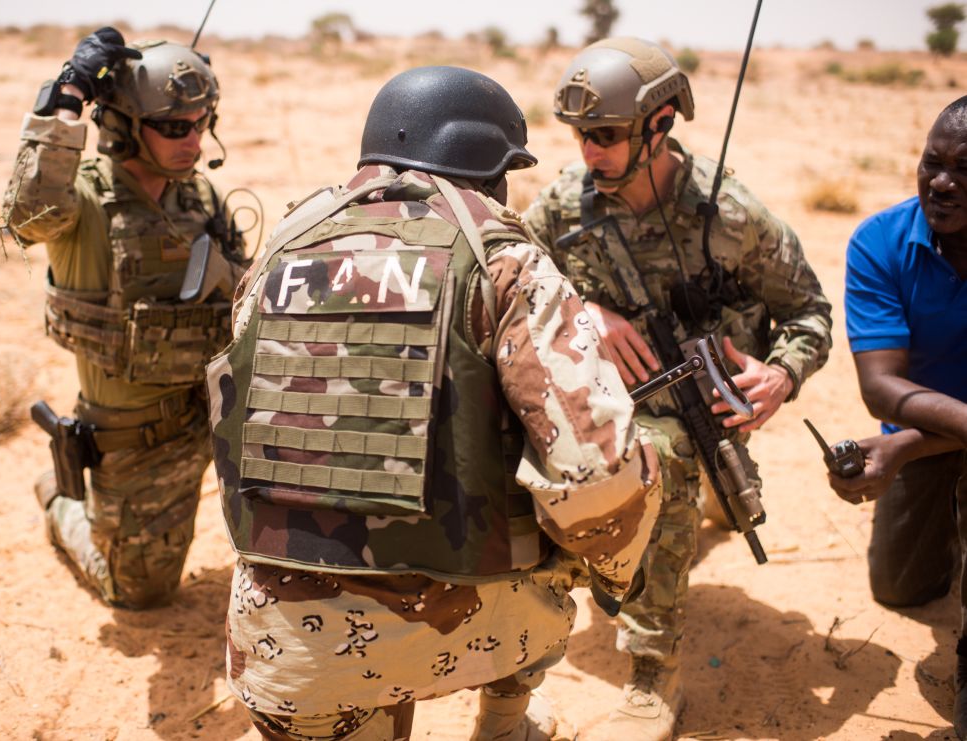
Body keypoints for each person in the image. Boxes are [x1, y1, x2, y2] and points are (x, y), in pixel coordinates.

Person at [205, 65, 663, 741]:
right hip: (470, 625)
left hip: (283, 651)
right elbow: (596, 476)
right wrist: (618, 572)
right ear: (489, 165)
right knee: (563, 529)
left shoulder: (285, 241)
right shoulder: (502, 255)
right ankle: (506, 725)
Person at [523, 38, 832, 740]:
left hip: (697, 416)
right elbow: (509, 282)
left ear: (660, 124)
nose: (587, 151)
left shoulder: (730, 217)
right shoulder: (560, 212)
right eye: (578, 135)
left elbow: (811, 309)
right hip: (598, 407)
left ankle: (652, 674)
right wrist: (583, 314)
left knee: (669, 460)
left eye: (604, 135)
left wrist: (780, 374)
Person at [3, 28, 246, 609]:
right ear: (123, 126)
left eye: (200, 122)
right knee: (139, 593)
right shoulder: (82, 201)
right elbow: (28, 214)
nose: (192, 139)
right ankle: (63, 504)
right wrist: (67, 96)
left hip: (215, 413)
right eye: (173, 126)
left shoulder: (201, 198)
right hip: (138, 438)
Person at [829, 96, 967, 740]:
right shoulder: (882, 242)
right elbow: (882, 390)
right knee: (900, 589)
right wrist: (903, 450)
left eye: (965, 170)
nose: (942, 182)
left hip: (930, 432)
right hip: (931, 434)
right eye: (932, 163)